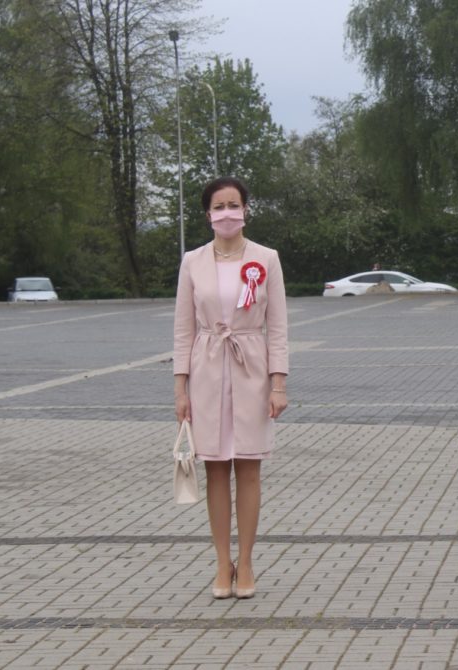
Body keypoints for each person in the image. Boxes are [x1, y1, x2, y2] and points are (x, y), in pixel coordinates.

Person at [173, 176, 289, 599]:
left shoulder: (266, 259)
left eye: (233, 204)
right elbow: (183, 329)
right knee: (216, 467)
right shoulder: (192, 262)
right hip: (206, 369)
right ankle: (223, 562)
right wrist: (180, 389)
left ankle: (248, 561)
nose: (227, 213)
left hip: (251, 368)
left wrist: (278, 383)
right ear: (208, 214)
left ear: (245, 210)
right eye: (219, 206)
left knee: (249, 467)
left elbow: (278, 326)